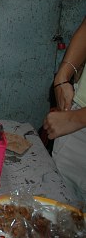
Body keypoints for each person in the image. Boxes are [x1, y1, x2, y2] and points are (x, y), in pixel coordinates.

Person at [43, 16, 86, 202]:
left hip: (75, 120)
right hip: (75, 117)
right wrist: (62, 76)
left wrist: (77, 119)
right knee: (60, 214)